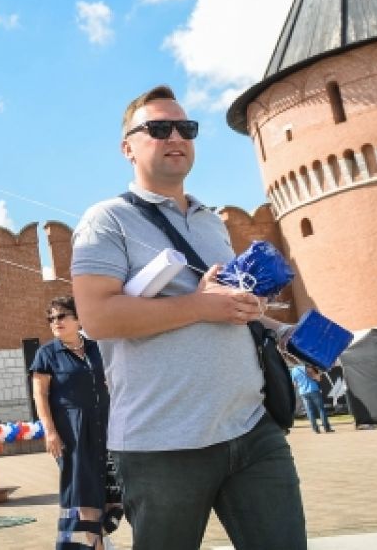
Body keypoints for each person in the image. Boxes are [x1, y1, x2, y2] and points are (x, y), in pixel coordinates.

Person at [71, 85, 306, 550]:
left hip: (250, 427)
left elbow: (230, 305)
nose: (175, 136)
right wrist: (199, 305)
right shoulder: (107, 220)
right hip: (163, 442)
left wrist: (279, 330)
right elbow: (97, 318)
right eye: (158, 128)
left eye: (186, 128)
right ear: (128, 147)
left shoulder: (210, 220)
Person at [30, 295, 118, 549]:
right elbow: (40, 395)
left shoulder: (96, 347)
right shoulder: (47, 354)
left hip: (106, 428)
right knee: (85, 494)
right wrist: (50, 432)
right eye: (51, 318)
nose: (55, 322)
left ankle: (97, 538)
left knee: (115, 494)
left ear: (78, 319)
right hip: (73, 433)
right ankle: (97, 545)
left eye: (61, 316)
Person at [290, 364, 332, 434]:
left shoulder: (293, 370)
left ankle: (315, 429)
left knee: (309, 411)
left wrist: (301, 384)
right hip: (313, 389)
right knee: (321, 409)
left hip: (303, 392)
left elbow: (294, 384)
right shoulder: (308, 367)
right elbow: (318, 378)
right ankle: (326, 428)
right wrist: (320, 373)